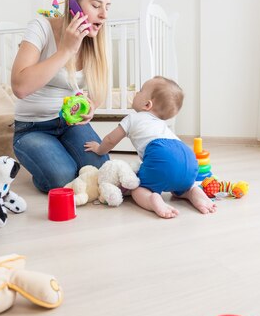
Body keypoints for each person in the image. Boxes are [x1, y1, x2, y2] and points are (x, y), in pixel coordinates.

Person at [11, 0, 112, 192]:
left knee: (102, 170)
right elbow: (19, 87)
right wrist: (65, 51)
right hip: (32, 128)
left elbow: (98, 92)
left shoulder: (97, 40)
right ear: (73, 3)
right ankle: (44, 160)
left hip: (70, 124)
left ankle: (60, 153)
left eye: (107, 7)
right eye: (96, 5)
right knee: (62, 178)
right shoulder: (41, 27)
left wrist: (92, 107)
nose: (104, 14)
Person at [84, 76, 217, 218]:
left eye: (140, 91)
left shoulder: (132, 118)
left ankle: (152, 200)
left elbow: (110, 140)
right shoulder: (161, 124)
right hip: (188, 157)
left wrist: (99, 149)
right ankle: (193, 191)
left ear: (147, 105)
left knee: (138, 189)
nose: (136, 93)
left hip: (163, 155)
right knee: (182, 187)